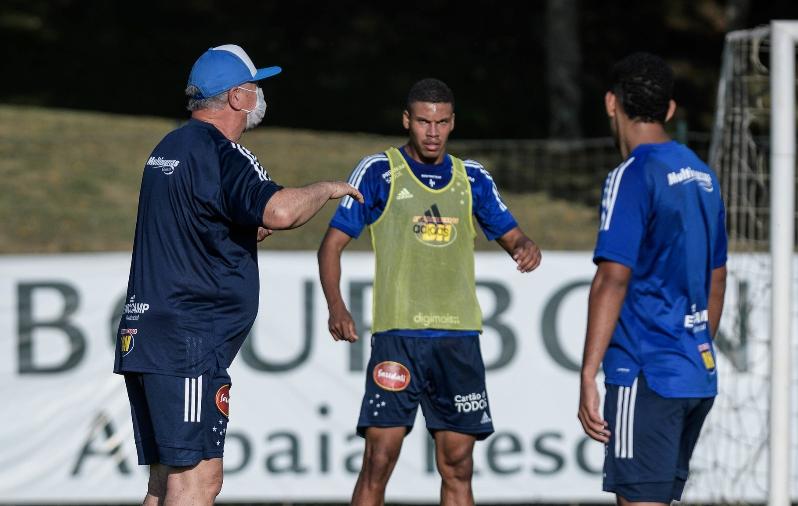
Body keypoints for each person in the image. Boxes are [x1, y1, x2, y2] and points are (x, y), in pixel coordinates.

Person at [113, 44, 362, 506]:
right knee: (197, 482)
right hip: (188, 341)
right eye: (255, 85)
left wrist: (246, 231)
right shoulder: (224, 151)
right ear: (237, 99)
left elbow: (202, 222)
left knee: (165, 482)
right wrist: (325, 188)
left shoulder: (170, 147)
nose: (260, 94)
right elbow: (282, 211)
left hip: (145, 334)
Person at [318, 78, 541, 506]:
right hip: (398, 339)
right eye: (423, 121)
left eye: (441, 122)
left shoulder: (471, 178)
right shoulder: (379, 172)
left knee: (458, 464)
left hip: (458, 340)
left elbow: (515, 238)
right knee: (379, 459)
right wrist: (336, 306)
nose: (432, 132)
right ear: (407, 120)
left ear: (452, 122)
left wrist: (526, 247)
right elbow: (331, 245)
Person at [577, 52, 728, 506]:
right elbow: (717, 277)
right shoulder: (701, 174)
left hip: (645, 372)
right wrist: (694, 345)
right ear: (670, 109)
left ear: (610, 103)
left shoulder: (633, 174)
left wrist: (588, 373)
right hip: (694, 373)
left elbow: (612, 279)